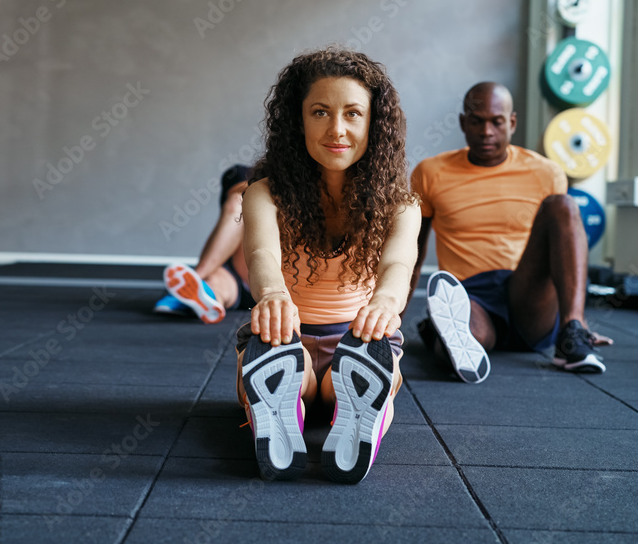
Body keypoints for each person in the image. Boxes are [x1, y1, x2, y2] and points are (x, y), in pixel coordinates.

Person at [236, 47, 421, 484]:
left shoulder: (401, 204)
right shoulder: (264, 192)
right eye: (320, 112)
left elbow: (398, 262)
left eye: (353, 113)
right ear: (297, 120)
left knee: (371, 368)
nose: (337, 129)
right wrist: (274, 296)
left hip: (358, 340)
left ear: (374, 123)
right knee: (277, 362)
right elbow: (261, 254)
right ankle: (288, 401)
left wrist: (385, 305)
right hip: (284, 334)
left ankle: (354, 412)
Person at [409, 82, 611, 384]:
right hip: (469, 294)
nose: (486, 131)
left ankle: (573, 331)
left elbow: (564, 247)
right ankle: (457, 340)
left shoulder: (546, 171)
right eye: (476, 121)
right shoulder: (430, 172)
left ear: (512, 122)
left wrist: (573, 314)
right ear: (464, 123)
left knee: (563, 205)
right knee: (455, 347)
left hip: (526, 292)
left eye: (496, 121)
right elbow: (412, 251)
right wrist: (390, 320)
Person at [155, 164, 253, 322]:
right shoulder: (240, 173)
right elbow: (244, 192)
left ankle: (192, 282)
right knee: (239, 201)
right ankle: (202, 290)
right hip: (237, 278)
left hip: (285, 283)